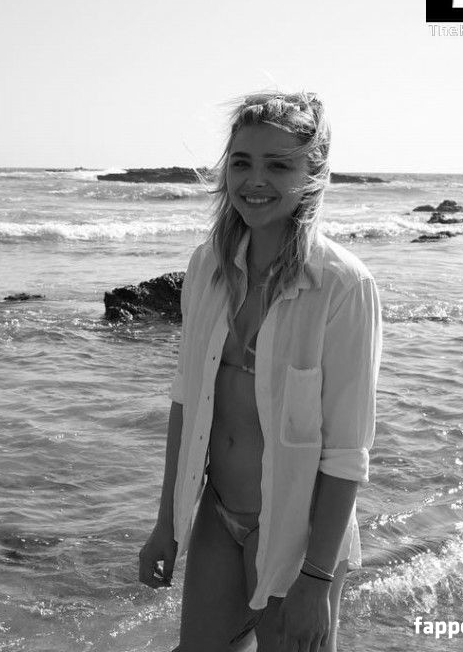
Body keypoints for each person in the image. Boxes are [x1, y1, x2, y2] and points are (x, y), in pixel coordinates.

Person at [138, 91, 382, 651]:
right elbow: (186, 403)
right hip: (219, 516)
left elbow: (347, 452)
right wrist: (165, 525)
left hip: (300, 534)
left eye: (278, 165)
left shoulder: (343, 285)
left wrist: (317, 578)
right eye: (242, 162)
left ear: (312, 175)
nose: (255, 180)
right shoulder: (208, 267)